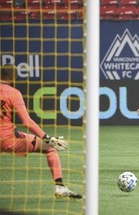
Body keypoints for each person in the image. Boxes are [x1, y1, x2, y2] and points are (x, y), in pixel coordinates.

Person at [0, 64, 82, 199]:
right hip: (8, 140)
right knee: (49, 148)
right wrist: (48, 138)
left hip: (9, 135)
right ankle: (60, 187)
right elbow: (27, 122)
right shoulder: (14, 93)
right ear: (13, 77)